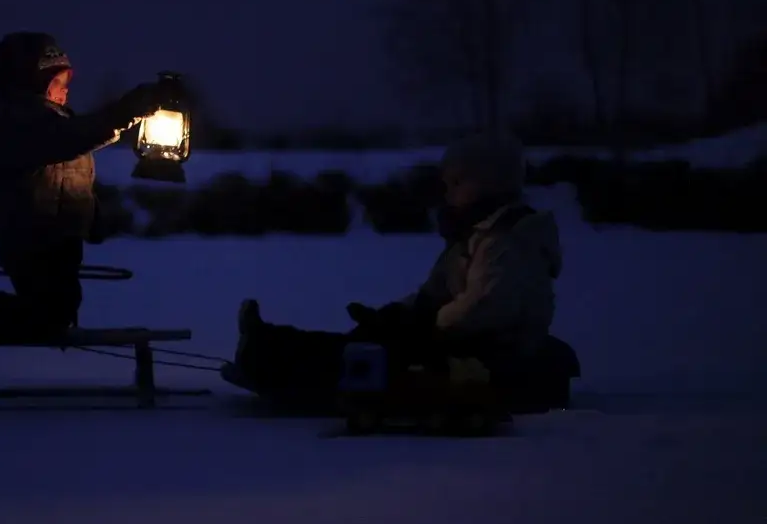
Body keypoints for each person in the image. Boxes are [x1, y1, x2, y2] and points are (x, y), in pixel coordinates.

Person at [226, 131, 576, 413]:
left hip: (492, 354)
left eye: (457, 184)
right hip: (462, 340)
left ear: (487, 184)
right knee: (363, 340)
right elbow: (435, 293)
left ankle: (271, 362)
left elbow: (485, 307)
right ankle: (266, 344)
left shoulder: (509, 240)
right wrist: (396, 314)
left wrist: (426, 326)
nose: (449, 193)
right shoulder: (475, 235)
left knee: (369, 356)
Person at [0, 31, 173, 344]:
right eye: (58, 83)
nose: (65, 91)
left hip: (55, 236)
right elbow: (74, 137)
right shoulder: (18, 124)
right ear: (33, 82)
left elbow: (64, 173)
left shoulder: (44, 122)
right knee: (49, 316)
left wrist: (91, 218)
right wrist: (128, 111)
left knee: (57, 312)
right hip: (31, 237)